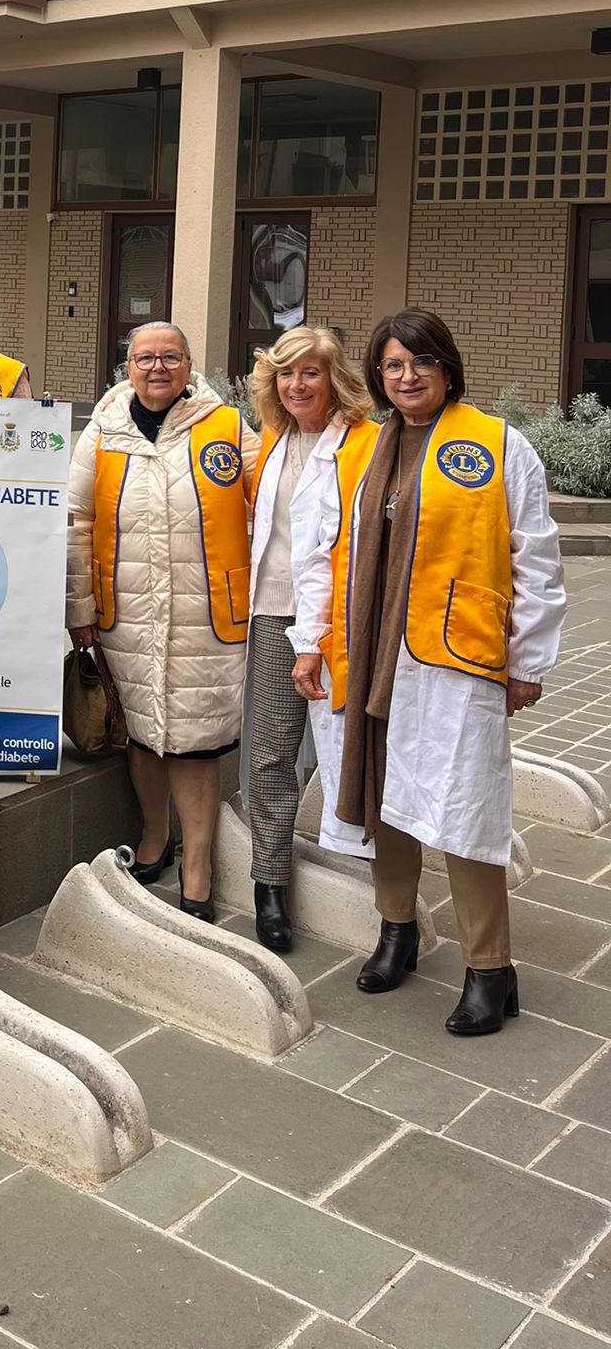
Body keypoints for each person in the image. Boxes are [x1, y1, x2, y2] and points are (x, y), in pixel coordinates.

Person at [291, 309, 565, 1036]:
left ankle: (490, 969)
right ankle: (397, 931)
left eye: (421, 362)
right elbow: (322, 550)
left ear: (447, 368)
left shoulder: (498, 444)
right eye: (392, 365)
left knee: (466, 808)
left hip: (456, 660)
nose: (407, 376)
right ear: (377, 377)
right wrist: (311, 640)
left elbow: (537, 557)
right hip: (371, 654)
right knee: (383, 797)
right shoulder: (363, 448)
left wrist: (527, 660)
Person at [66, 321, 258, 920]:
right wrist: (79, 609)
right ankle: (155, 836)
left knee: (197, 743)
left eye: (170, 357)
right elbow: (75, 521)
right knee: (142, 733)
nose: (157, 368)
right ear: (127, 367)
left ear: (189, 365)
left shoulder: (227, 427)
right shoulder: (104, 430)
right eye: (145, 357)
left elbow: (277, 503)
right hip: (124, 612)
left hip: (207, 615)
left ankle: (198, 865)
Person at [242, 326, 377, 952]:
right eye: (285, 373)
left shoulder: (367, 443)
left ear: (336, 379)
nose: (296, 385)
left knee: (357, 748)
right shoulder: (273, 438)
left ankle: (379, 888)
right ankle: (269, 884)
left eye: (310, 372)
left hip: (346, 622)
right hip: (275, 614)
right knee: (271, 752)